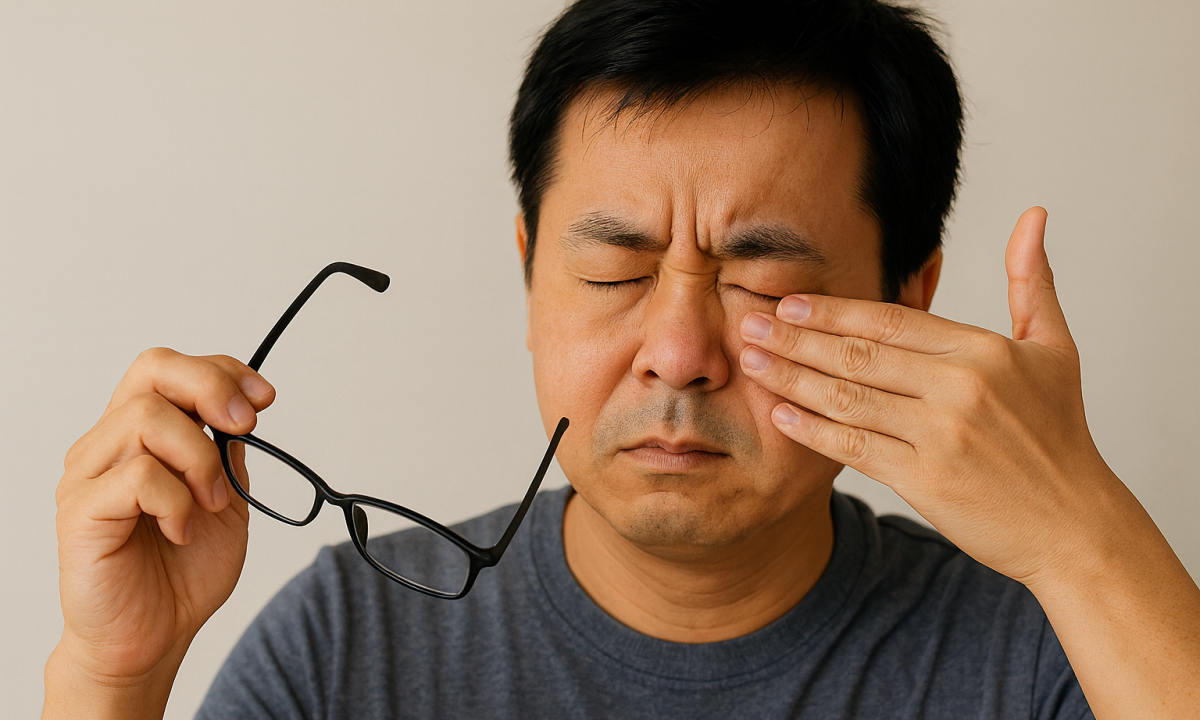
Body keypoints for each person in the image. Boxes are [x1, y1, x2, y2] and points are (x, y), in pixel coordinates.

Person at [43, 0, 1200, 718]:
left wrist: (1084, 535)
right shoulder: (349, 644)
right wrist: (112, 676)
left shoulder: (1053, 652)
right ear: (529, 276)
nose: (679, 355)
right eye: (613, 270)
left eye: (763, 282)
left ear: (909, 299)